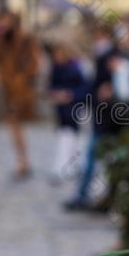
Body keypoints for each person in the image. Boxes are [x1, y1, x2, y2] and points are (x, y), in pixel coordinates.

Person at [64, 22, 129, 211]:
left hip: (110, 118)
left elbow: (115, 89)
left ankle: (91, 196)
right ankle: (94, 196)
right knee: (99, 157)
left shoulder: (112, 57)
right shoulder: (105, 56)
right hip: (104, 117)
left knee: (99, 156)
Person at [0, 12, 40, 180]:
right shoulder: (3, 41)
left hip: (21, 90)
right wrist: (3, 78)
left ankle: (23, 161)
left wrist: (21, 78)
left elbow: (34, 63)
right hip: (9, 89)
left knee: (16, 125)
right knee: (14, 127)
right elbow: (1, 62)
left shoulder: (25, 39)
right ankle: (22, 160)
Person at [48, 40, 88, 183]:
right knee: (65, 135)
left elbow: (84, 89)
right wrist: (56, 94)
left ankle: (69, 166)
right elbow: (52, 86)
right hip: (62, 109)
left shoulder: (76, 67)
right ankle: (67, 166)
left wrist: (70, 94)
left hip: (73, 107)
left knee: (71, 136)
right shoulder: (56, 68)